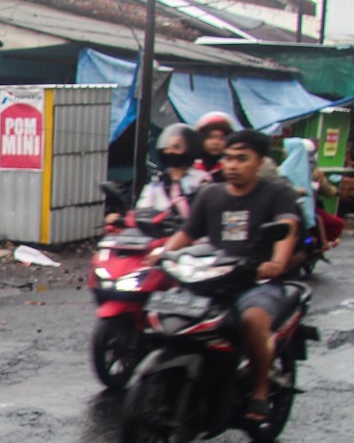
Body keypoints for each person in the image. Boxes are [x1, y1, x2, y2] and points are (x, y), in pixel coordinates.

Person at [156, 129, 299, 422]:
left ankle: (259, 390)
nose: (232, 165)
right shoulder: (212, 194)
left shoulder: (276, 193)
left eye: (242, 159)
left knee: (252, 319)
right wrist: (162, 255)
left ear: (259, 162)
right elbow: (187, 233)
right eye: (228, 158)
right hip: (212, 278)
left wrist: (277, 262)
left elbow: (288, 228)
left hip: (258, 283)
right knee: (165, 308)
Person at [107, 123, 208, 227]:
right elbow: (143, 208)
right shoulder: (158, 181)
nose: (170, 151)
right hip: (159, 232)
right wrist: (123, 219)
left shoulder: (201, 180)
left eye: (177, 147)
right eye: (167, 147)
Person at [194, 112, 239, 182]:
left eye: (222, 138)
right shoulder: (190, 168)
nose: (216, 142)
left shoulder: (233, 169)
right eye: (211, 137)